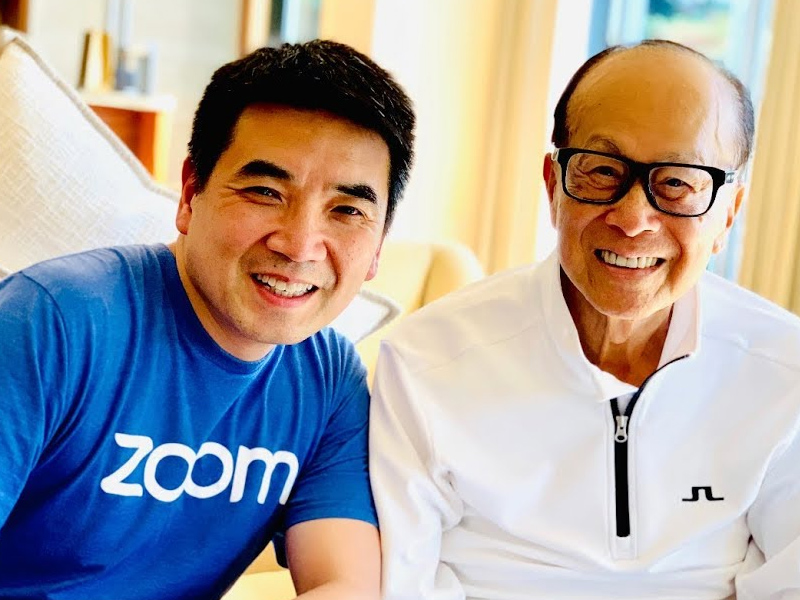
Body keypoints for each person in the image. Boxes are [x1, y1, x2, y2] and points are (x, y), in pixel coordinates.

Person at [369, 40, 800, 599]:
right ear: (553, 186)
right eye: (602, 171)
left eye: (678, 182)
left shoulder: (784, 370)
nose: (633, 218)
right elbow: (405, 585)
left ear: (728, 214)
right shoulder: (426, 362)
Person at [0, 39, 414, 600]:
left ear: (379, 244)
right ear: (191, 194)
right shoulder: (51, 322)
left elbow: (344, 584)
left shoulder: (329, 381)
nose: (299, 245)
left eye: (347, 210)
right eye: (265, 191)